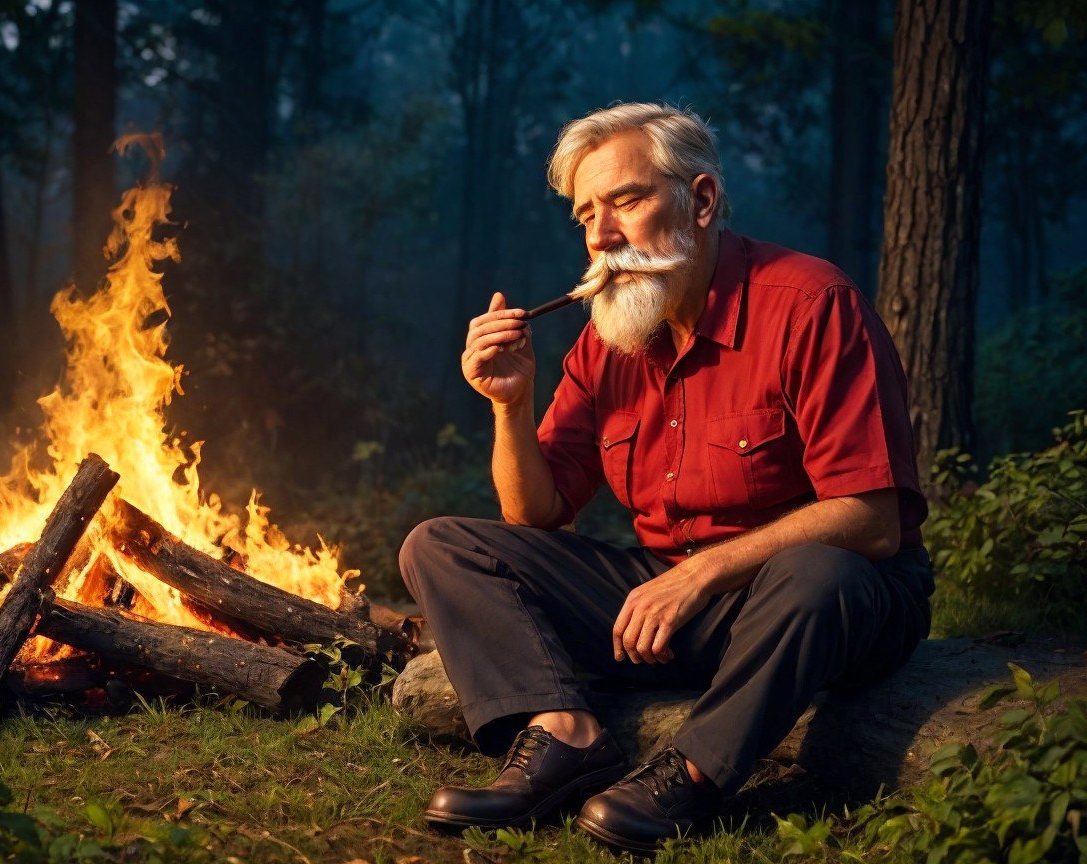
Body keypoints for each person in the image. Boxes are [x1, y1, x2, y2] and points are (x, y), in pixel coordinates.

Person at [399, 102, 933, 855]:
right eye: (586, 215)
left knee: (818, 571)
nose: (600, 236)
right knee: (441, 545)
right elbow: (536, 516)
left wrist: (700, 575)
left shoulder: (812, 305)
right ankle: (565, 735)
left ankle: (692, 770)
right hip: (676, 602)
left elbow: (872, 519)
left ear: (701, 201)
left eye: (625, 201)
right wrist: (510, 405)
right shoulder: (608, 340)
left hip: (825, 602)